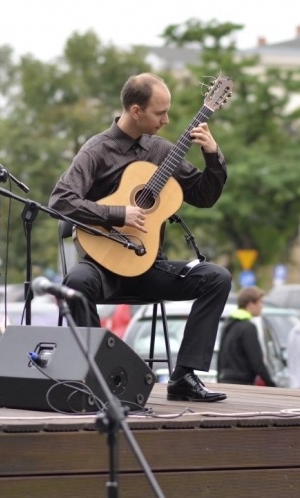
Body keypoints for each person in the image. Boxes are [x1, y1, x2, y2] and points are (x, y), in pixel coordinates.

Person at [48, 72, 231, 403]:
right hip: (103, 268)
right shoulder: (97, 150)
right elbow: (61, 200)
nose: (167, 120)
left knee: (216, 278)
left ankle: (184, 377)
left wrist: (212, 155)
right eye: (160, 113)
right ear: (135, 110)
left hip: (148, 268)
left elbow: (204, 196)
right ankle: (96, 376)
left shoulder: (162, 151)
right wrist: (118, 214)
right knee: (75, 283)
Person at [217, 286, 275, 387]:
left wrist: (219, 378)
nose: (262, 306)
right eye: (260, 302)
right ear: (250, 304)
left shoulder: (228, 323)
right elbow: (256, 361)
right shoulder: (248, 327)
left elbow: (220, 354)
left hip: (225, 380)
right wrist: (271, 383)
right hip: (242, 382)